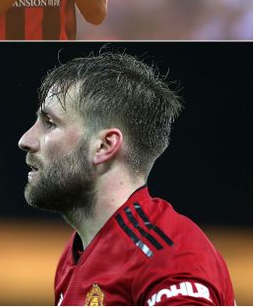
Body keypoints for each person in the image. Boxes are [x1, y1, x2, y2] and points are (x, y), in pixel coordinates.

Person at [18, 52, 234, 305]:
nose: (25, 140)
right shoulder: (77, 252)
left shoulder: (168, 262)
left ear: (104, 146)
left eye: (50, 123)